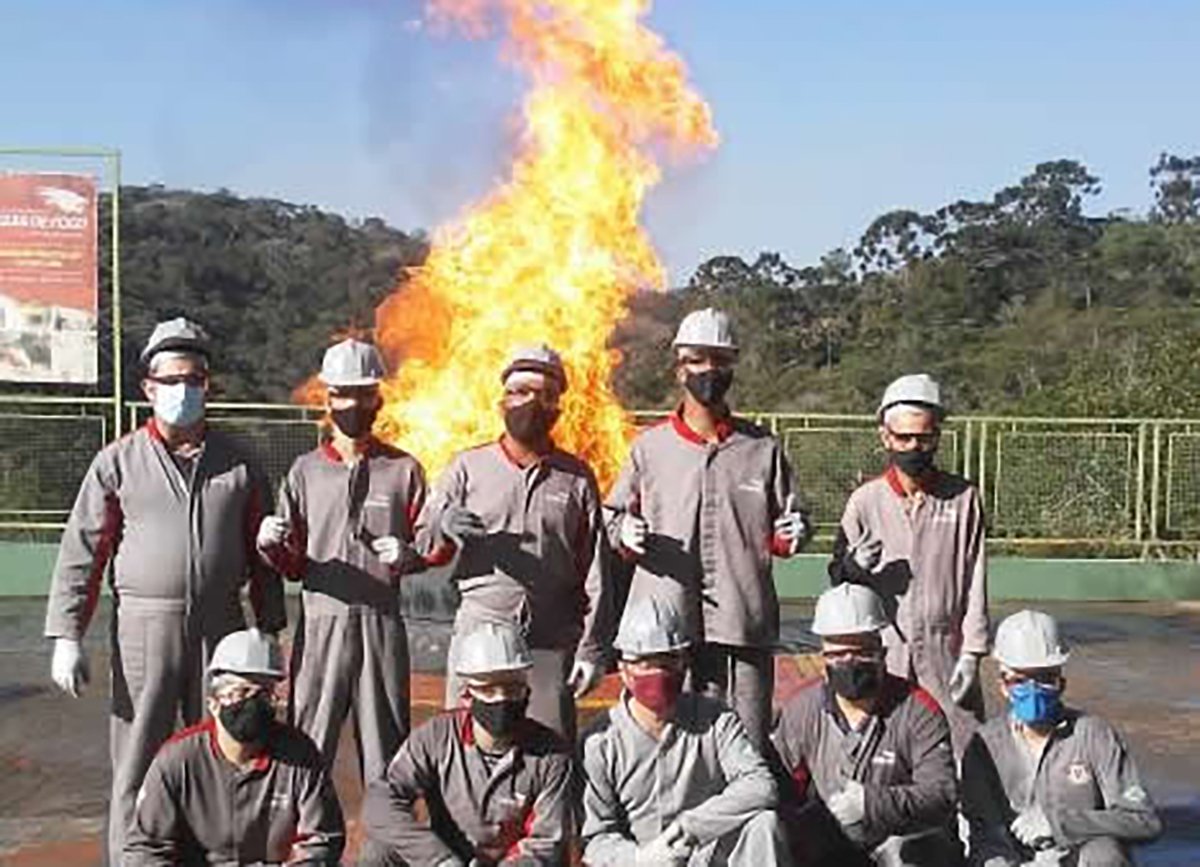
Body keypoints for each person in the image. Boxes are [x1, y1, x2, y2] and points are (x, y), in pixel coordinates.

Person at [43, 317, 285, 861]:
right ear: (148, 388)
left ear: (209, 386)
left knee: (222, 749)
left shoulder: (240, 464)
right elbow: (84, 549)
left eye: (195, 379)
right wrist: (66, 635)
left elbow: (261, 555)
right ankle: (132, 857)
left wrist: (268, 627)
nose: (184, 390)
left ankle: (213, 855)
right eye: (172, 380)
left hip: (222, 629)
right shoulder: (118, 462)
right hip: (143, 629)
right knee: (138, 755)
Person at [604, 307, 810, 751]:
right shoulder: (650, 448)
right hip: (667, 631)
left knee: (745, 746)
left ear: (732, 367)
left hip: (742, 627)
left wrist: (794, 532)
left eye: (720, 361)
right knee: (668, 745)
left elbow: (787, 524)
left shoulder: (762, 449)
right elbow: (610, 516)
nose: (709, 371)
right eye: (698, 359)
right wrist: (623, 531)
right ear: (680, 368)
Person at [414, 344, 614, 738]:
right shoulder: (466, 467)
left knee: (551, 752)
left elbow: (595, 570)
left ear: (559, 405)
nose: (531, 403)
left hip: (549, 640)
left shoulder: (575, 477)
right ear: (502, 400)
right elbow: (422, 542)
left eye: (544, 395)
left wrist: (592, 649)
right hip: (480, 633)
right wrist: (442, 521)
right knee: (465, 747)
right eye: (520, 391)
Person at [258, 338, 426, 785]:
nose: (354, 403)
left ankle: (386, 851)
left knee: (387, 753)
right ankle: (304, 846)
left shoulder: (404, 470)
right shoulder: (304, 471)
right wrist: (271, 546)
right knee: (306, 744)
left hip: (381, 622)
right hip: (320, 622)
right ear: (327, 397)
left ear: (379, 397)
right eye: (344, 393)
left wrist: (410, 554)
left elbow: (429, 544)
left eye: (364, 393)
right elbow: (291, 564)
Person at [828, 373, 987, 752]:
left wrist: (972, 652)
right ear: (886, 437)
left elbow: (976, 575)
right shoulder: (865, 502)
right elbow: (837, 580)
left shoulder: (963, 499)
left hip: (944, 648)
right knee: (886, 745)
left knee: (961, 744)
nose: (915, 447)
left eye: (925, 438)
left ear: (937, 436)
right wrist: (853, 567)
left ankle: (965, 811)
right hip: (885, 649)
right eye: (904, 438)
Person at [581, 596, 789, 866]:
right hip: (643, 860)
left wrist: (690, 828)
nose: (659, 672)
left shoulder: (717, 719)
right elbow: (595, 837)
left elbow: (760, 785)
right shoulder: (599, 742)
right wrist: (639, 858)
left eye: (669, 662)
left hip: (703, 855)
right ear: (623, 669)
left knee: (763, 823)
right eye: (646, 663)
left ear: (684, 664)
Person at [771, 584, 961, 866]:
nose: (849, 662)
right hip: (832, 839)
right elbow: (782, 785)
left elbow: (941, 793)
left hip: (902, 838)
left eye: (861, 652)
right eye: (838, 654)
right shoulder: (803, 709)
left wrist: (871, 803)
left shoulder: (918, 710)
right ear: (824, 656)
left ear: (881, 652)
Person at [359, 622, 574, 866]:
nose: (502, 699)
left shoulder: (551, 755)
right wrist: (438, 859)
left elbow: (546, 842)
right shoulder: (436, 736)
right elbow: (381, 801)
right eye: (489, 689)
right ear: (467, 696)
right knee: (378, 851)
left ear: (527, 690)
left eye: (512, 688)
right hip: (447, 858)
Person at [125, 628, 344, 865]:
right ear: (214, 703)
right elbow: (144, 849)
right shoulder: (177, 760)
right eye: (242, 692)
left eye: (264, 693)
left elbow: (322, 842)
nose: (253, 703)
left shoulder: (301, 756)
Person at [961, 610, 1162, 866]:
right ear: (1003, 686)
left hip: (1078, 859)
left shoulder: (1094, 736)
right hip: (1015, 861)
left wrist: (1061, 824)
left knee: (1104, 852)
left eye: (1045, 679)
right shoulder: (984, 747)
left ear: (1062, 683)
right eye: (1020, 680)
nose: (1033, 690)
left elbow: (1144, 821)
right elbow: (983, 833)